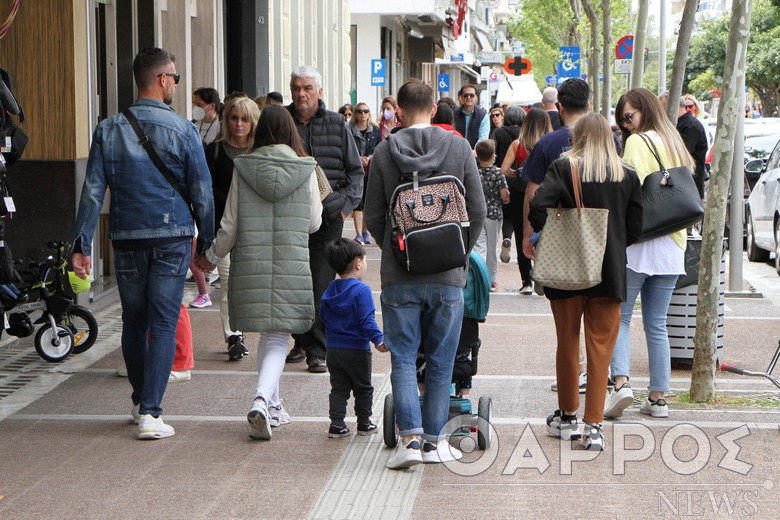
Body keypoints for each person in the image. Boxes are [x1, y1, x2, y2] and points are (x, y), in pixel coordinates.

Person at [72, 47, 215, 440]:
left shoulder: (108, 128)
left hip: (125, 236)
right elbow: (202, 191)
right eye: (175, 78)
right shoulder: (184, 129)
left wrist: (81, 244)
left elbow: (91, 192)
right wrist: (208, 244)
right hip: (172, 237)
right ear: (162, 79)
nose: (176, 85)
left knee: (134, 321)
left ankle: (139, 402)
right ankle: (152, 412)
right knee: (164, 321)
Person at [365, 79, 486, 469]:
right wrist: (457, 252)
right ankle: (435, 442)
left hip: (401, 275)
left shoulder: (384, 152)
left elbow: (373, 216)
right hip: (449, 274)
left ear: (398, 111)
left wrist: (401, 253)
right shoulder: (458, 147)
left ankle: (409, 441)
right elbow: (478, 209)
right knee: (441, 360)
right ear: (434, 108)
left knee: (402, 358)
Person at [197, 105, 323, 440]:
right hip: (290, 261)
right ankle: (262, 399)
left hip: (252, 261)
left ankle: (274, 406)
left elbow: (230, 224)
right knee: (279, 335)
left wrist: (211, 255)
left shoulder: (244, 166)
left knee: (270, 336)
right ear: (290, 131)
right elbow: (314, 223)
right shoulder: (305, 167)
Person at [529, 113, 643, 451]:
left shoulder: (565, 168)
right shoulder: (627, 174)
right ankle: (594, 424)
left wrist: (551, 227)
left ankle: (567, 416)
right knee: (601, 348)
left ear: (576, 137)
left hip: (567, 269)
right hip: (609, 271)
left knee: (567, 341)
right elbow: (636, 228)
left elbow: (538, 206)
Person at [604, 87, 697, 420]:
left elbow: (628, 186)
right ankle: (658, 398)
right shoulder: (673, 140)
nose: (627, 125)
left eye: (629, 117)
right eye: (623, 121)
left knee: (620, 316)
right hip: (673, 244)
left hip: (641, 242)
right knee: (657, 323)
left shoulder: (637, 143)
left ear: (643, 110)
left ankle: (622, 384)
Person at [284, 66, 365, 373]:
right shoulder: (283, 122)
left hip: (328, 215)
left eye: (307, 87)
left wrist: (344, 207)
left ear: (319, 91)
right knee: (295, 282)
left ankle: (318, 349)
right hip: (291, 216)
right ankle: (301, 339)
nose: (301, 93)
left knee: (319, 281)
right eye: (296, 88)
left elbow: (355, 171)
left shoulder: (337, 124)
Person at [522, 78, 591, 392]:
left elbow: (533, 195)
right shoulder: (606, 142)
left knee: (565, 317)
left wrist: (528, 236)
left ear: (559, 108)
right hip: (597, 238)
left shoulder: (548, 145)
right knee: (596, 310)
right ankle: (597, 373)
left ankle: (572, 375)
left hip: (557, 236)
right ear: (588, 106)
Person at [204, 95, 261, 361]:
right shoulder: (214, 151)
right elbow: (206, 191)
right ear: (226, 120)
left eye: (245, 119)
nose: (239, 124)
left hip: (255, 229)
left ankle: (245, 325)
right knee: (228, 282)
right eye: (234, 118)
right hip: (223, 228)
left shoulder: (261, 151)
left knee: (248, 283)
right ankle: (233, 335)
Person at [320, 238, 386, 438]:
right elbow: (367, 320)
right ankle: (364, 423)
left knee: (338, 388)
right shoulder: (361, 290)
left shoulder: (330, 289)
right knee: (363, 387)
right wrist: (378, 340)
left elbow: (323, 317)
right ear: (358, 263)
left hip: (333, 349)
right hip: (357, 349)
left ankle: (337, 424)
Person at [500, 107, 552, 294]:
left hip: (521, 193)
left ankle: (526, 282)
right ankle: (542, 272)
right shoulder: (548, 143)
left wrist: (518, 173)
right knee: (544, 232)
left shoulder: (518, 144)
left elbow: (504, 170)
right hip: (546, 193)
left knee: (522, 234)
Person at [474, 139, 509, 291]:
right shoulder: (498, 173)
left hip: (478, 212)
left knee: (479, 246)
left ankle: (478, 276)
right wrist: (506, 198)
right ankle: (491, 279)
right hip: (494, 214)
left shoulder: (474, 172)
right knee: (491, 247)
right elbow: (504, 194)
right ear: (493, 155)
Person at [348, 102, 380, 245]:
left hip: (370, 169)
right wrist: (358, 158)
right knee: (357, 201)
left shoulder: (375, 130)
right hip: (355, 169)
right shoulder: (349, 130)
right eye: (359, 111)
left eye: (365, 111)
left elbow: (379, 148)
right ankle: (359, 234)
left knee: (366, 202)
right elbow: (347, 148)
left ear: (369, 114)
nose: (362, 114)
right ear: (355, 114)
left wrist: (370, 157)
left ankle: (365, 232)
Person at [675, 97, 708, 199]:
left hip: (690, 187)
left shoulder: (690, 125)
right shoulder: (683, 124)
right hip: (686, 186)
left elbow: (682, 155)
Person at [453, 84, 489, 148]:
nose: (469, 97)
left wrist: (474, 152)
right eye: (466, 95)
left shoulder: (483, 115)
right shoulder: (453, 114)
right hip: (456, 152)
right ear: (461, 97)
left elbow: (483, 139)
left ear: (476, 98)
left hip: (475, 154)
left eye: (471, 95)